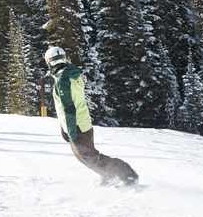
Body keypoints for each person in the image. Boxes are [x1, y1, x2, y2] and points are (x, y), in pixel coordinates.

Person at [44, 47, 138, 186]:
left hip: (77, 125)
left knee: (88, 157)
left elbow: (69, 108)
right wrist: (64, 128)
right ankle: (108, 175)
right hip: (82, 122)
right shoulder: (70, 73)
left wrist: (70, 130)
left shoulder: (63, 80)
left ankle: (126, 174)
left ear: (49, 62)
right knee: (86, 156)